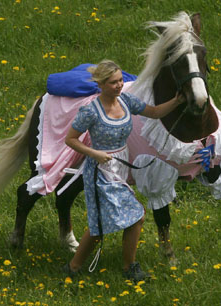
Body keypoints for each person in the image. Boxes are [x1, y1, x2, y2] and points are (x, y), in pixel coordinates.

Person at [63, 60, 184, 282]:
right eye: (113, 82)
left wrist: (177, 101)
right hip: (101, 170)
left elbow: (155, 112)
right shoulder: (90, 111)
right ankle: (126, 268)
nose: (119, 85)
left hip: (120, 165)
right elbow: (70, 139)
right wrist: (94, 153)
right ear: (100, 84)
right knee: (133, 216)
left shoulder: (126, 100)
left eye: (120, 80)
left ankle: (76, 268)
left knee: (102, 225)